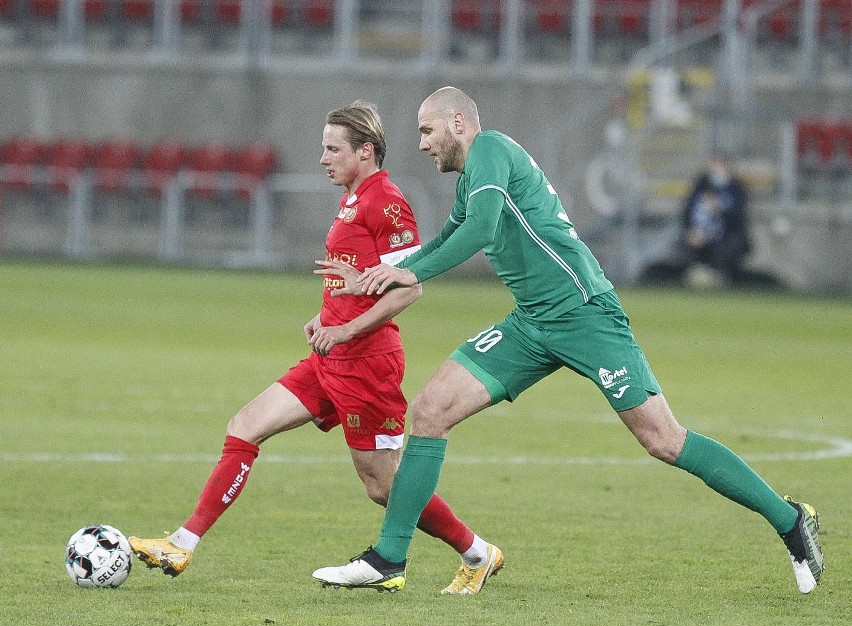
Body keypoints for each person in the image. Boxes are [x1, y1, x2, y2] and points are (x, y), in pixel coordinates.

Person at [311, 87, 823, 595]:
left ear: (459, 124)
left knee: (664, 440)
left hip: (584, 314)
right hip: (532, 322)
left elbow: (482, 231)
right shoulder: (474, 175)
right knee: (429, 411)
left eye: (427, 130)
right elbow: (449, 236)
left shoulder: (491, 150)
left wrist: (408, 272)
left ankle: (789, 520)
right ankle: (389, 559)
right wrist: (382, 270)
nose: (421, 144)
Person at [128, 100, 502, 595]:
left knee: (385, 488)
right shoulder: (350, 197)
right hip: (330, 356)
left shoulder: (386, 202)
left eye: (333, 149)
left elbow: (409, 287)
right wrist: (327, 317)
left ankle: (478, 553)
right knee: (245, 426)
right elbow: (362, 279)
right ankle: (182, 542)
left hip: (367, 364)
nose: (323, 159)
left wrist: (347, 330)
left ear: (365, 152)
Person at [679, 153, 751, 285]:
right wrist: (692, 231)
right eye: (715, 163)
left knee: (732, 245)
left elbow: (739, 218)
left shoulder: (736, 189)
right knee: (687, 242)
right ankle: (695, 274)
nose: (718, 168)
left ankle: (720, 276)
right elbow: (686, 213)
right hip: (699, 235)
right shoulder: (700, 186)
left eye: (721, 164)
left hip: (725, 236)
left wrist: (719, 209)